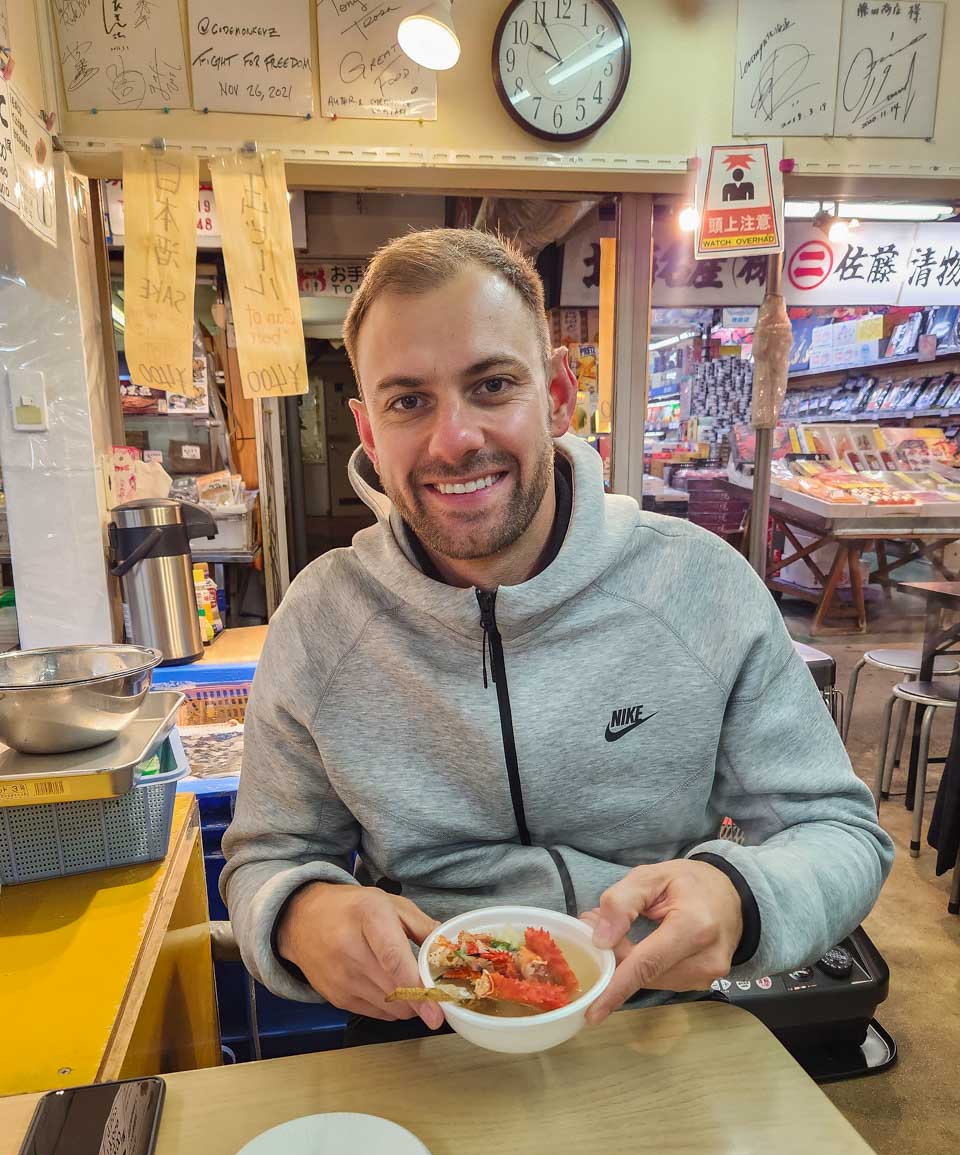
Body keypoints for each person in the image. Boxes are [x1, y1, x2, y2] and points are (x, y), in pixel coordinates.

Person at [221, 228, 893, 1044]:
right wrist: (300, 913)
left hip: (656, 1018)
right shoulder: (320, 622)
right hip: (423, 1027)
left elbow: (841, 832)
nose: (454, 439)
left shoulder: (699, 585)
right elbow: (265, 857)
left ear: (560, 394)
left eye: (492, 385)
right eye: (408, 402)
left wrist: (740, 896)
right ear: (367, 431)